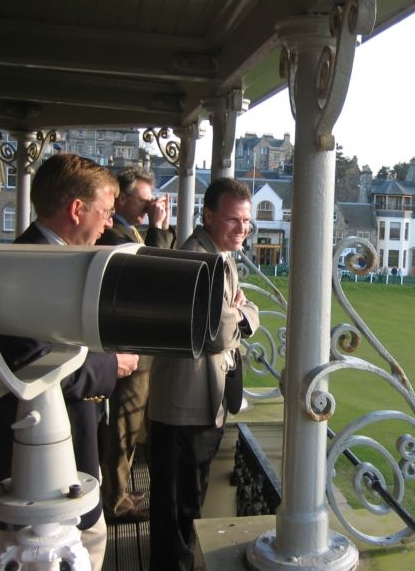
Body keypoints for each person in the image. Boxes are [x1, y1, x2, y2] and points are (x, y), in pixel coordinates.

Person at [0, 153, 139, 571]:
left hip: (57, 449)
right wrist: (111, 364)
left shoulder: (47, 258)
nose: (107, 224)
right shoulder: (32, 268)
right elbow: (33, 365)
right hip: (29, 463)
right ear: (77, 208)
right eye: (104, 211)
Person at [147, 178, 259, 571]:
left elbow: (227, 318)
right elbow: (218, 332)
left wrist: (236, 311)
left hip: (198, 402)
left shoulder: (218, 255)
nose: (242, 229)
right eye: (233, 220)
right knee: (178, 511)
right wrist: (244, 313)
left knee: (183, 505)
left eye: (247, 221)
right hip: (185, 408)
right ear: (208, 216)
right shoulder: (198, 258)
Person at [96, 166, 174, 524]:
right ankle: (115, 501)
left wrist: (156, 228)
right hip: (125, 346)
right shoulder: (112, 234)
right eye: (144, 200)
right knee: (123, 426)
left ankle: (121, 490)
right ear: (122, 199)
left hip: (130, 343)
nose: (149, 206)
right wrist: (158, 228)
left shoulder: (126, 230)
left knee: (129, 422)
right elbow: (154, 272)